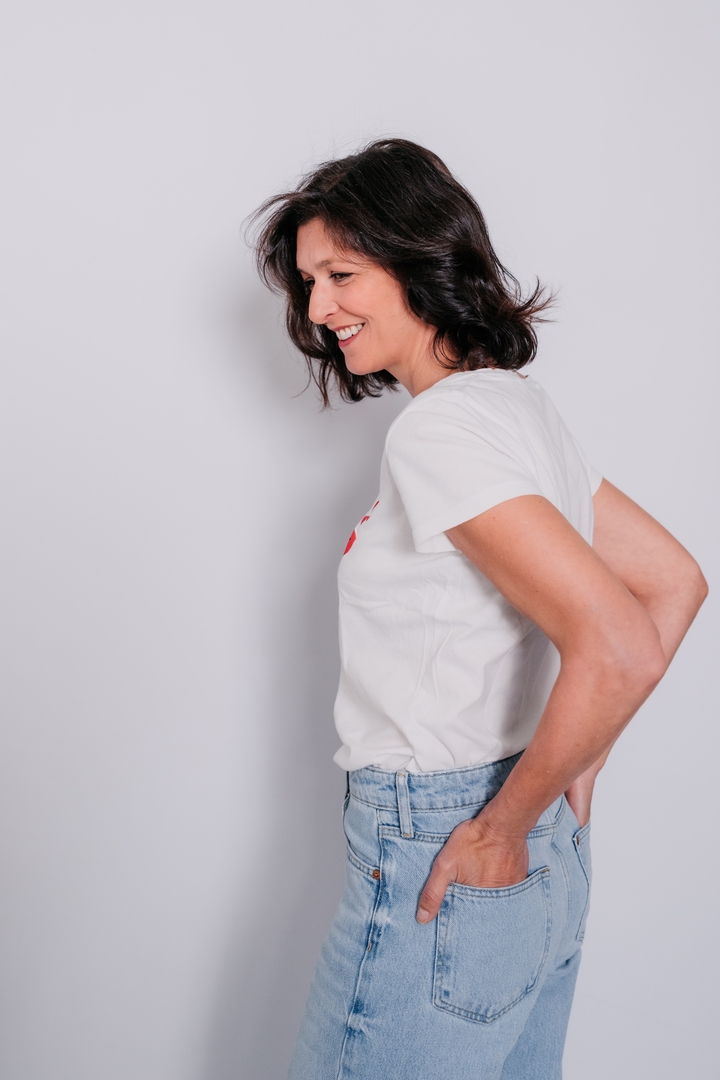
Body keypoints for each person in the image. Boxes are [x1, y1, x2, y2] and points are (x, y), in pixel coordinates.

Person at [251, 139, 707, 1080]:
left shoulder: (442, 431)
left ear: (419, 260)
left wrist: (503, 825)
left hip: (448, 844)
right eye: (308, 282)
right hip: (535, 850)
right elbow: (674, 581)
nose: (319, 308)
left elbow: (622, 639)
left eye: (341, 274)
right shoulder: (515, 409)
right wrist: (572, 765)